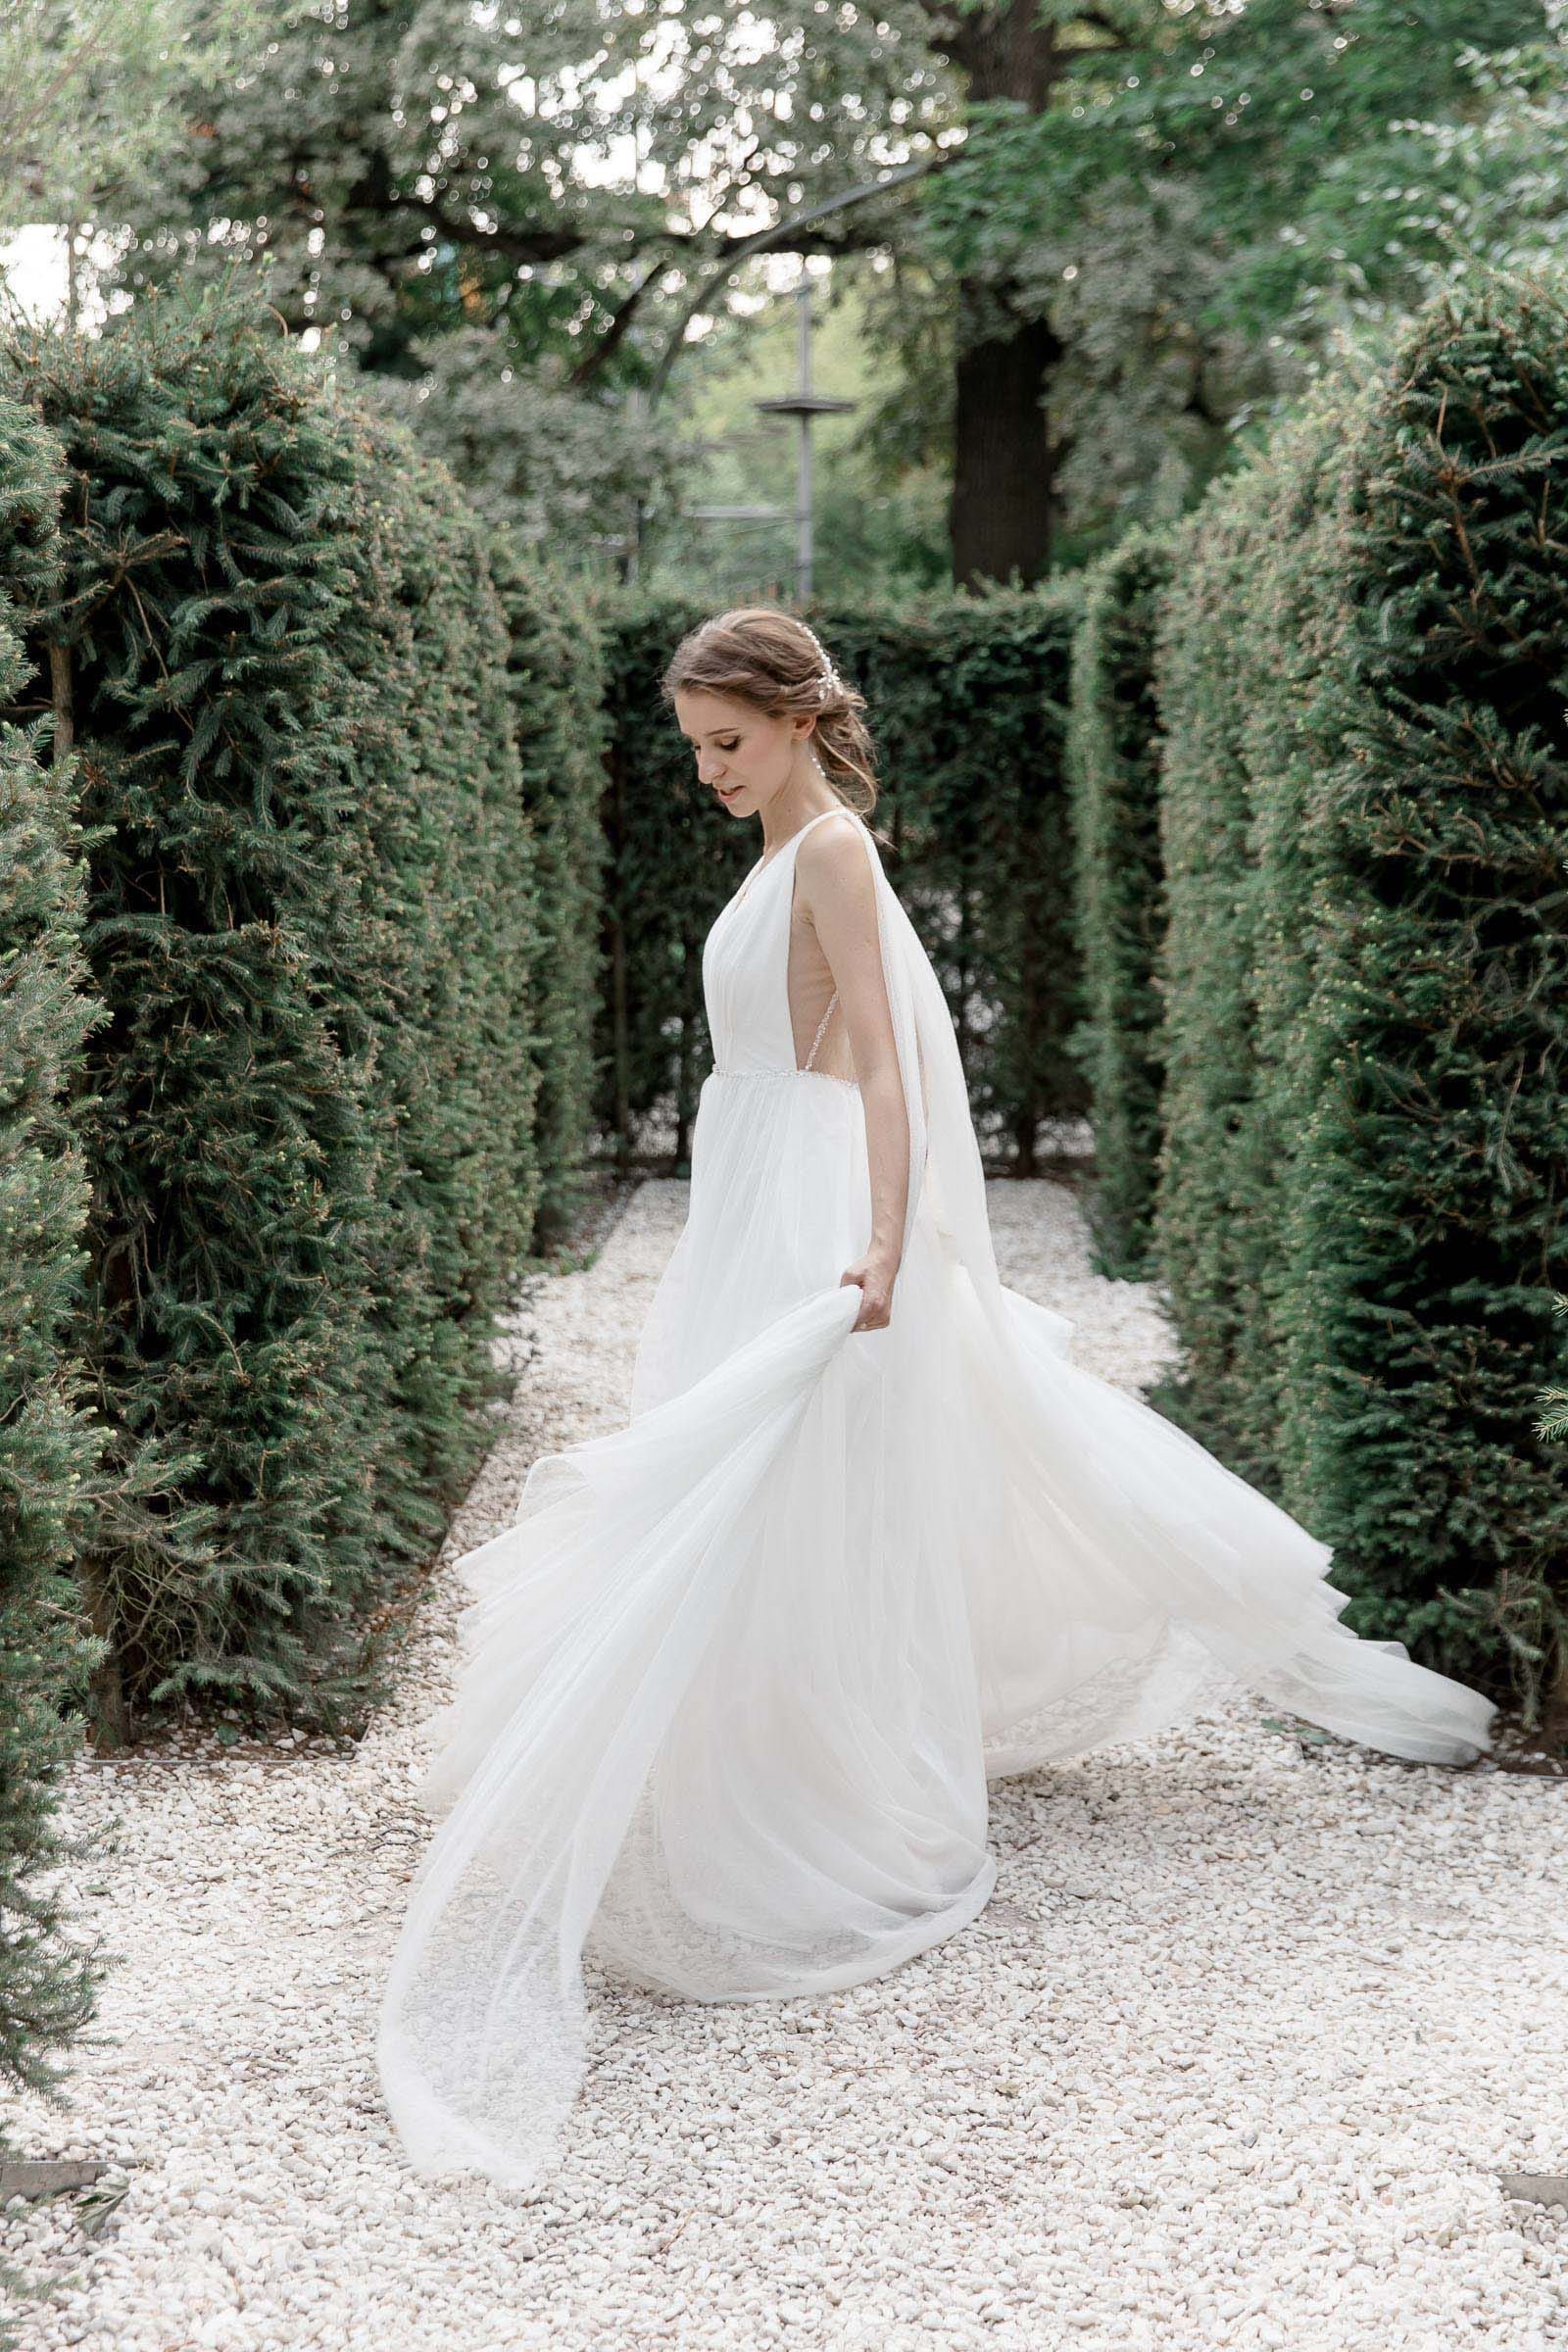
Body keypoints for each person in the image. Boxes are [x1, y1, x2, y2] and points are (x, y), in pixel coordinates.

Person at [377, 607, 1495, 2192]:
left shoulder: (832, 850)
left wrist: (889, 1236)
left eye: (727, 742)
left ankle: (809, 1776)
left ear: (792, 719)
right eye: (694, 746)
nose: (706, 770)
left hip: (812, 1189)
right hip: (749, 1174)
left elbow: (895, 1064)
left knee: (784, 1470)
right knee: (753, 1473)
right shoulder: (775, 850)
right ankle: (737, 1740)